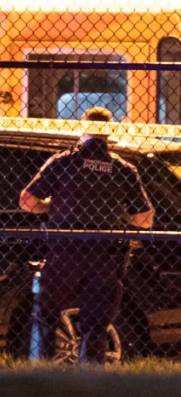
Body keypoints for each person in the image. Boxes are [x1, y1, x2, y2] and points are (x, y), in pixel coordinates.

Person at [19, 107, 154, 364]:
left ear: (83, 130)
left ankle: (41, 377)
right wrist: (117, 216)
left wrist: (51, 206)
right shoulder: (123, 169)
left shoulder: (62, 162)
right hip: (105, 255)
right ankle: (91, 383)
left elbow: (26, 201)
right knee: (96, 325)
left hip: (64, 252)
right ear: (109, 133)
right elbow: (144, 219)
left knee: (46, 316)